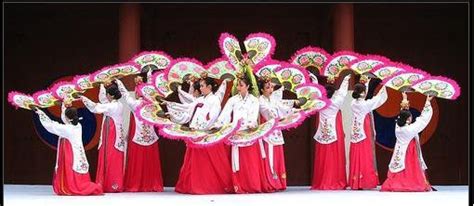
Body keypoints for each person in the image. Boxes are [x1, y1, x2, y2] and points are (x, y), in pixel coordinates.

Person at [171, 74, 234, 194]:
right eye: (200, 86)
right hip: (196, 132)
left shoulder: (214, 99)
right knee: (194, 162)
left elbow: (212, 116)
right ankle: (193, 185)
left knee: (209, 162)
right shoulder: (200, 99)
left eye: (202, 86)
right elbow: (187, 109)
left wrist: (202, 129)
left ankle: (208, 185)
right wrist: (172, 111)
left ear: (209, 87)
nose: (200, 88)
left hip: (206, 133)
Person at [213, 70, 272, 193]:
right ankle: (240, 185)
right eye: (237, 85)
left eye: (241, 85)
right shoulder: (233, 100)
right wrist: (218, 125)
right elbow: (225, 115)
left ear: (248, 86)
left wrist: (251, 124)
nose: (239, 88)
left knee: (251, 162)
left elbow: (254, 114)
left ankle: (253, 185)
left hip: (250, 132)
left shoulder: (254, 100)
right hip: (237, 132)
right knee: (239, 162)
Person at [34, 102, 103, 195]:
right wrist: (64, 105)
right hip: (77, 151)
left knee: (71, 166)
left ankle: (70, 186)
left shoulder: (67, 129)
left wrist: (40, 112)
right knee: (77, 166)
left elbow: (51, 125)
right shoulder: (78, 125)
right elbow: (65, 118)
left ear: (68, 118)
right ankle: (75, 184)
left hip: (70, 152)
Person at [115, 73, 164, 192]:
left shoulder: (134, 103)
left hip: (138, 135)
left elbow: (125, 93)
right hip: (150, 136)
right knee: (150, 161)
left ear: (137, 93)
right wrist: (149, 77)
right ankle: (153, 183)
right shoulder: (151, 104)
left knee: (137, 160)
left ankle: (135, 184)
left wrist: (118, 81)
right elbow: (151, 89)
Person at [381, 92, 434, 192]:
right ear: (408, 119)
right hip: (409, 150)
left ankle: (397, 183)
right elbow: (422, 120)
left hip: (399, 149)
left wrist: (404, 98)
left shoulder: (398, 126)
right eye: (410, 117)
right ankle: (409, 183)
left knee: (399, 165)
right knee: (410, 167)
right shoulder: (409, 130)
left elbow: (403, 113)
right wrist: (427, 102)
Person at [80, 84, 126, 192]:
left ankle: (108, 184)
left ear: (111, 95)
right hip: (117, 132)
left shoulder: (111, 106)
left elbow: (96, 107)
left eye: (107, 94)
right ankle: (116, 183)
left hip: (111, 132)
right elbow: (103, 101)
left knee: (108, 155)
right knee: (115, 156)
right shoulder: (118, 104)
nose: (106, 96)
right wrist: (102, 86)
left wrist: (84, 98)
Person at [257, 75, 300, 191]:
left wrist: (294, 108)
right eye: (267, 87)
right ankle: (270, 182)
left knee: (278, 155)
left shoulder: (273, 99)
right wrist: (281, 117)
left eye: (271, 87)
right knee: (270, 156)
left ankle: (279, 182)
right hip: (268, 131)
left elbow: (283, 106)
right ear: (262, 90)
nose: (271, 89)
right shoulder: (260, 101)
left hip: (276, 130)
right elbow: (269, 113)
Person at [349, 75, 388, 190]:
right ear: (362, 93)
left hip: (355, 129)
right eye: (364, 91)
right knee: (365, 152)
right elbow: (378, 99)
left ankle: (356, 180)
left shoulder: (353, 103)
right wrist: (384, 86)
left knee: (356, 153)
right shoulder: (364, 105)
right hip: (363, 129)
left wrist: (366, 83)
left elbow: (363, 95)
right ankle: (365, 181)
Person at [311, 75, 350, 190]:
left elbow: (315, 92)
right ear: (333, 93)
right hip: (334, 132)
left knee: (323, 157)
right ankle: (335, 180)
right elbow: (342, 92)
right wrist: (345, 79)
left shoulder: (320, 102)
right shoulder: (336, 101)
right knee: (334, 156)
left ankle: (322, 181)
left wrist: (314, 79)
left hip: (322, 133)